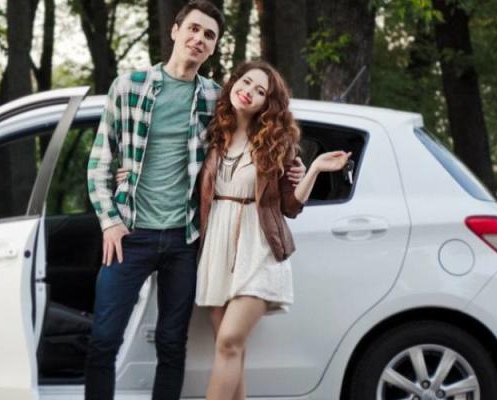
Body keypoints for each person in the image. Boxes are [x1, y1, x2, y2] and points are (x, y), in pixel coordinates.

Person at [84, 2, 304, 398]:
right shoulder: (128, 86)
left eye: (209, 35)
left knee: (171, 344)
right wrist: (109, 220)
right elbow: (100, 162)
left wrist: (296, 169)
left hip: (186, 241)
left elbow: (254, 137)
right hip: (130, 235)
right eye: (194, 29)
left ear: (215, 46)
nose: (199, 39)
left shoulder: (216, 98)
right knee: (103, 339)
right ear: (175, 31)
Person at [195, 61, 351, 400]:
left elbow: (290, 207)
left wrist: (315, 171)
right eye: (246, 82)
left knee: (229, 342)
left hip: (258, 246)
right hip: (218, 246)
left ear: (268, 103)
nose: (249, 92)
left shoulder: (275, 143)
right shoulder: (213, 134)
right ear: (234, 83)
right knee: (233, 351)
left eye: (260, 91)